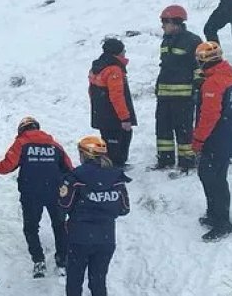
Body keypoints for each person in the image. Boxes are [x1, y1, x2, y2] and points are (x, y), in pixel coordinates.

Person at [0, 117, 74, 278]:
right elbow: (69, 169)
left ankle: (38, 261)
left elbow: (8, 165)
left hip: (31, 194)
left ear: (22, 130)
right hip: (55, 193)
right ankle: (62, 261)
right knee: (59, 226)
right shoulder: (55, 145)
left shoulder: (22, 143)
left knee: (31, 228)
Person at [59, 136, 131, 296]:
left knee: (74, 282)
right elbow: (124, 209)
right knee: (98, 283)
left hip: (79, 238)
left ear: (84, 155)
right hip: (106, 239)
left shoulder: (75, 176)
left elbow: (64, 204)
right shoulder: (117, 177)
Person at [192, 41, 232, 241]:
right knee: (216, 178)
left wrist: (198, 139)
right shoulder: (231, 78)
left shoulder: (213, 83)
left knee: (213, 179)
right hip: (229, 136)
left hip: (216, 139)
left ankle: (222, 222)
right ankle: (215, 215)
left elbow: (209, 116)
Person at [152, 5, 203, 172]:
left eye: (164, 22)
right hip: (164, 96)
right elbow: (165, 66)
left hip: (183, 97)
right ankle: (165, 160)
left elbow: (199, 67)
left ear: (175, 23)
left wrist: (197, 87)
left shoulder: (193, 41)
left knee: (184, 131)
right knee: (163, 130)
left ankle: (186, 162)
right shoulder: (166, 40)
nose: (162, 26)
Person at [88, 38, 137, 168]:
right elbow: (117, 96)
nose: (124, 53)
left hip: (101, 113)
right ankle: (116, 165)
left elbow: (92, 91)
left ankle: (109, 163)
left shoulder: (97, 67)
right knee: (121, 137)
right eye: (123, 50)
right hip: (113, 116)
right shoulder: (114, 69)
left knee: (107, 140)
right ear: (117, 52)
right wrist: (125, 118)